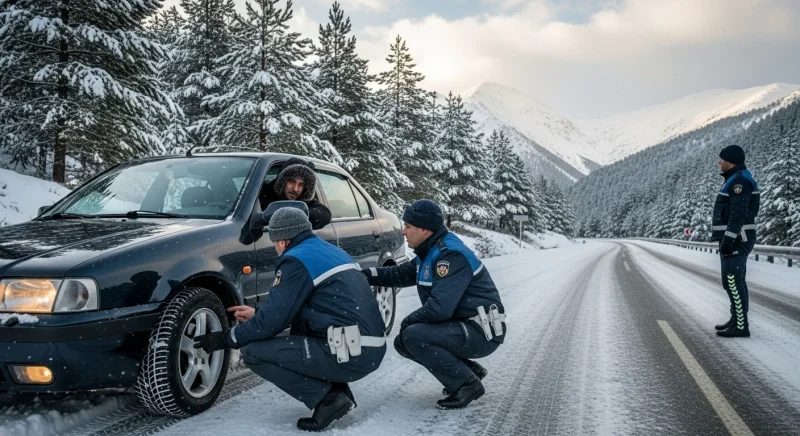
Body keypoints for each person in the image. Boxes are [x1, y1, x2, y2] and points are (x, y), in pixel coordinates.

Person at [193, 207, 387, 431]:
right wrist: (258, 314)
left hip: (354, 352)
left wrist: (225, 339)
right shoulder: (326, 250)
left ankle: (329, 400)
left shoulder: (296, 260)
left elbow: (271, 324)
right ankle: (338, 390)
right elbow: (305, 306)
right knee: (300, 330)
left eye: (274, 243)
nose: (276, 250)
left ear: (283, 241)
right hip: (366, 346)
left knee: (253, 353)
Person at [362, 199, 506, 409]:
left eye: (408, 226)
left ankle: (467, 385)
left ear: (424, 230)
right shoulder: (430, 251)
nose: (403, 231)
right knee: (403, 342)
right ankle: (468, 371)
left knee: (413, 335)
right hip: (464, 325)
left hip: (482, 330)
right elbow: (399, 274)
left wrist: (407, 322)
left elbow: (439, 309)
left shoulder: (450, 255)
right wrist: (364, 275)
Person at [711, 145, 760, 338]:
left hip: (737, 239)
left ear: (730, 160)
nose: (719, 162)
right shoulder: (735, 179)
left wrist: (729, 239)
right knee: (733, 281)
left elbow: (738, 213)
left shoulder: (739, 181)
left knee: (732, 281)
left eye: (721, 159)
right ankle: (737, 319)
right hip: (736, 238)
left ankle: (740, 325)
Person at [259, 157, 331, 229]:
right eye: (292, 182)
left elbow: (325, 215)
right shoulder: (261, 195)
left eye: (301, 184)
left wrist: (298, 213)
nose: (295, 189)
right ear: (282, 181)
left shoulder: (304, 200)